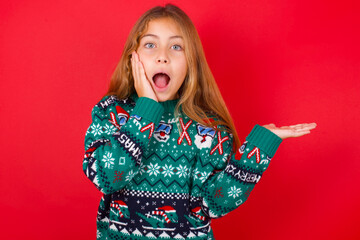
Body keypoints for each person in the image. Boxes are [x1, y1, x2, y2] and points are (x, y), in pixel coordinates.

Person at [82, 3, 317, 240]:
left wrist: (258, 150)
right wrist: (146, 110)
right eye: (150, 45)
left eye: (176, 47)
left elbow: (215, 203)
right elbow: (106, 178)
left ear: (190, 62)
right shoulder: (111, 112)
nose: (162, 57)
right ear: (133, 57)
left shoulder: (208, 128)